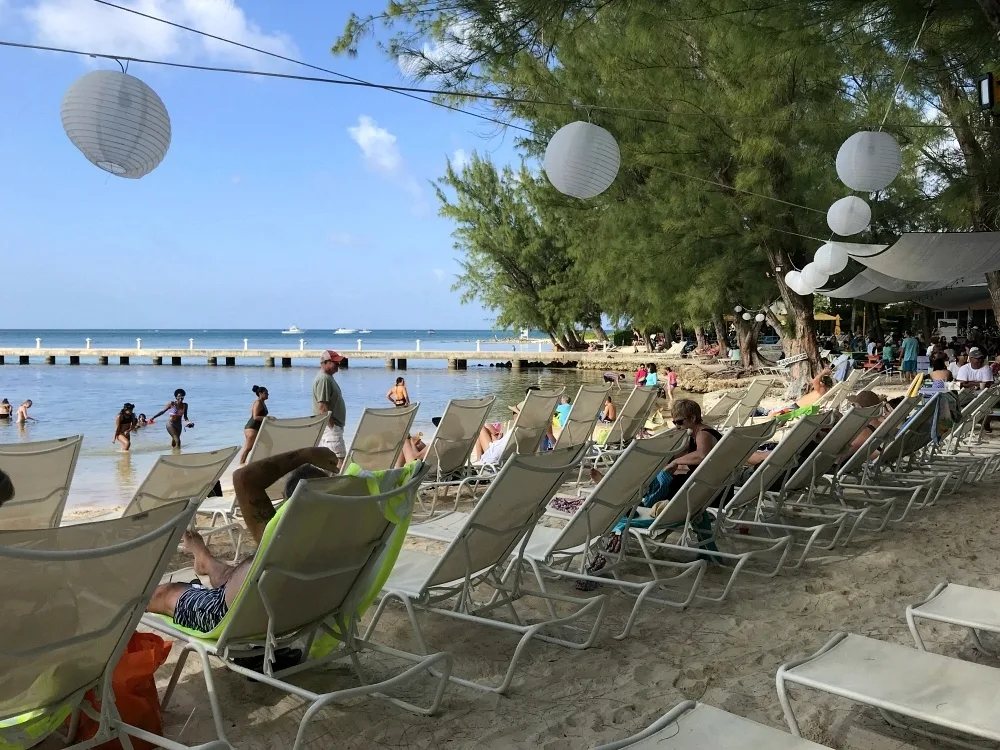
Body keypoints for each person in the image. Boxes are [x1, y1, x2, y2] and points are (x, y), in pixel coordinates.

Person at [146, 447, 342, 633]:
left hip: (231, 617)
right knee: (244, 572)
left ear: (289, 504)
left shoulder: (285, 538)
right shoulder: (350, 531)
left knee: (163, 593)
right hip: (294, 610)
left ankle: (204, 560)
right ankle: (204, 558)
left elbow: (244, 478)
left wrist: (305, 455)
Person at [313, 350, 347, 458]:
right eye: (335, 363)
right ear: (326, 362)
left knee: (330, 463)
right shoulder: (324, 379)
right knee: (339, 460)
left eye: (338, 363)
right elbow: (322, 406)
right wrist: (333, 428)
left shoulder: (327, 377)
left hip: (329, 427)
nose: (338, 365)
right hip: (330, 429)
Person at [240, 385, 270, 464]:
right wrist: (268, 418)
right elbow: (255, 417)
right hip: (252, 428)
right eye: (266, 393)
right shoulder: (258, 403)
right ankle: (241, 464)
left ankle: (264, 461)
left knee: (269, 443)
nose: (268, 395)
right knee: (248, 448)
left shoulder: (262, 402)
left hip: (258, 428)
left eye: (268, 393)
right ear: (260, 393)